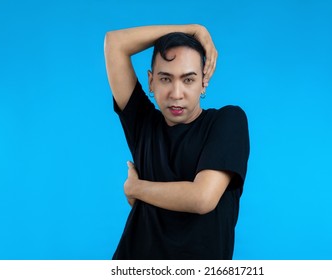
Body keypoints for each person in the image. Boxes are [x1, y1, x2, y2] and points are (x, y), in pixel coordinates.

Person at [104, 24, 250, 259]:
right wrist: (194, 29)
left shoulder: (227, 121)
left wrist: (136, 188)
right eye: (165, 79)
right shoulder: (143, 125)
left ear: (204, 81)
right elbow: (115, 43)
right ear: (151, 82)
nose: (176, 93)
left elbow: (202, 198)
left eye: (188, 80)